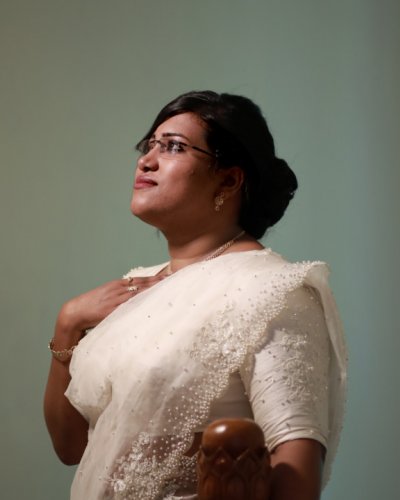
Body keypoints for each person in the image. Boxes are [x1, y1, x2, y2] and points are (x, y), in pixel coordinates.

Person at [44, 90, 347, 500]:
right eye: (148, 145)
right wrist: (67, 326)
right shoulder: (137, 286)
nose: (146, 160)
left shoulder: (272, 290)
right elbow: (72, 448)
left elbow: (298, 469)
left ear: (229, 179)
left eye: (173, 147)